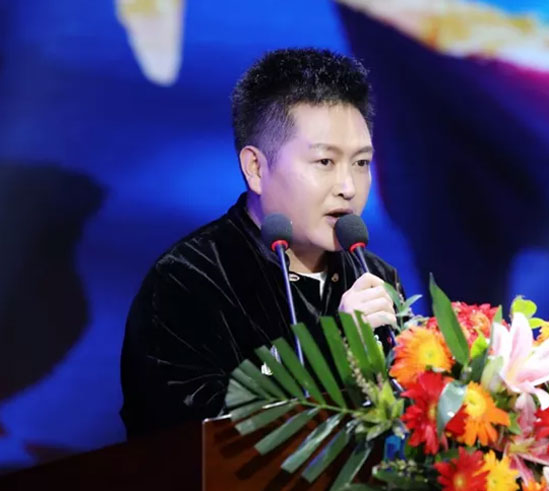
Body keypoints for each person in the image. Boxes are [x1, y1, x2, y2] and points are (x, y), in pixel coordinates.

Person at [120, 48, 401, 438]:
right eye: (325, 162)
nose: (348, 187)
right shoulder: (187, 279)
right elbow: (192, 435)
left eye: (361, 163)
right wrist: (333, 344)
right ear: (256, 167)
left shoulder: (373, 277)